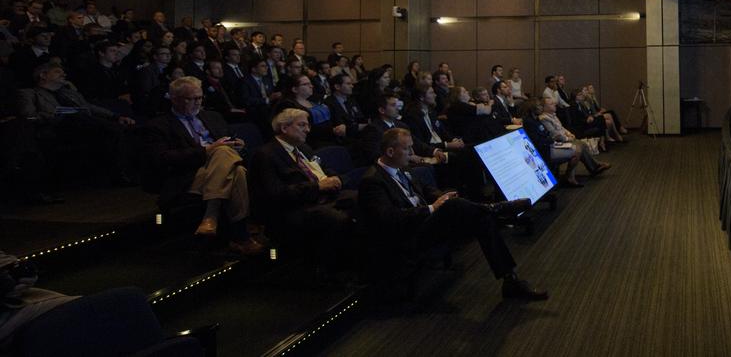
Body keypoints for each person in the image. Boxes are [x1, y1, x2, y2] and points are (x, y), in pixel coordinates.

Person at [358, 127, 545, 301]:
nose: (412, 153)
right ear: (390, 152)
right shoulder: (372, 182)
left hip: (424, 224)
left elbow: (424, 189)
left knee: (482, 219)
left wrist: (441, 197)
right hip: (407, 236)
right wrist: (433, 207)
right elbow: (389, 220)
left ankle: (510, 280)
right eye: (407, 149)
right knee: (455, 207)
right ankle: (495, 208)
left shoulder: (401, 167)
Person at [140, 77, 260, 255]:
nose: (197, 102)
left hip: (218, 170)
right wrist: (207, 151)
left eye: (199, 98)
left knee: (231, 162)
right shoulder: (159, 125)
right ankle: (241, 235)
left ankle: (212, 217)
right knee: (232, 165)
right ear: (174, 99)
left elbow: (228, 142)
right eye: (191, 99)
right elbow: (162, 158)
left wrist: (238, 145)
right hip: (187, 175)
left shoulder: (212, 117)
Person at [248, 109, 353, 246]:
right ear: (284, 128)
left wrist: (336, 178)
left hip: (323, 197)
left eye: (308, 125)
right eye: (302, 125)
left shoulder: (303, 148)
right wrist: (317, 186)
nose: (307, 130)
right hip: (296, 208)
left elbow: (324, 170)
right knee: (339, 219)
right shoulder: (265, 155)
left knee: (362, 199)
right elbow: (275, 194)